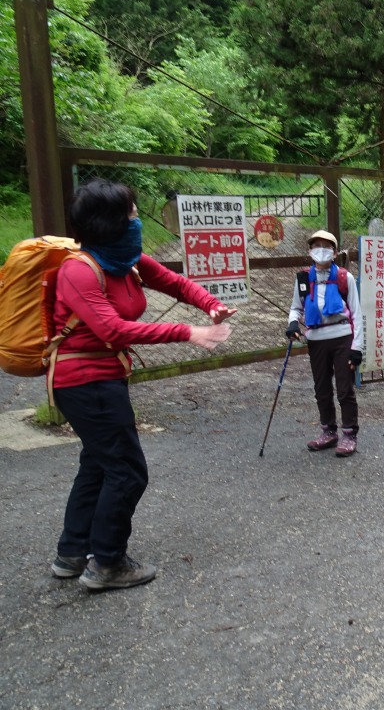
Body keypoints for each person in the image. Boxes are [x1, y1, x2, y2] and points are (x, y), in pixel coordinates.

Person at [50, 180, 234, 590]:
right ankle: (108, 563)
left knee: (98, 463)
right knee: (128, 472)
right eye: (131, 214)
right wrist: (187, 332)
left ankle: (72, 552)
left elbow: (174, 282)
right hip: (86, 383)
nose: (137, 221)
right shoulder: (78, 270)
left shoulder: (125, 258)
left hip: (104, 379)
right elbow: (112, 329)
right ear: (109, 222)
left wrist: (211, 304)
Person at [286, 230, 363, 457]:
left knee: (344, 388)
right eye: (317, 246)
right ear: (310, 251)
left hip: (342, 338)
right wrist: (292, 324)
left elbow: (357, 314)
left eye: (326, 246)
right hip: (316, 340)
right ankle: (328, 432)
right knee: (321, 388)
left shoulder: (344, 278)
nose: (321, 250)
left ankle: (349, 434)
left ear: (335, 252)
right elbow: (296, 307)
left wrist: (357, 348)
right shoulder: (303, 279)